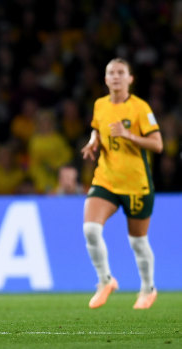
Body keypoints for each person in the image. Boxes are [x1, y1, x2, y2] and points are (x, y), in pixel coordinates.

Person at [80, 58, 163, 310]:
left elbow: (158, 145)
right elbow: (97, 128)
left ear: (130, 79)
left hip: (136, 184)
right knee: (90, 230)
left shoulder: (140, 108)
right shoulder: (100, 105)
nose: (115, 77)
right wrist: (94, 140)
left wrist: (128, 135)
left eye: (121, 73)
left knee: (138, 241)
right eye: (111, 73)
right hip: (106, 179)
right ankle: (105, 280)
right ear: (105, 79)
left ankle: (148, 289)